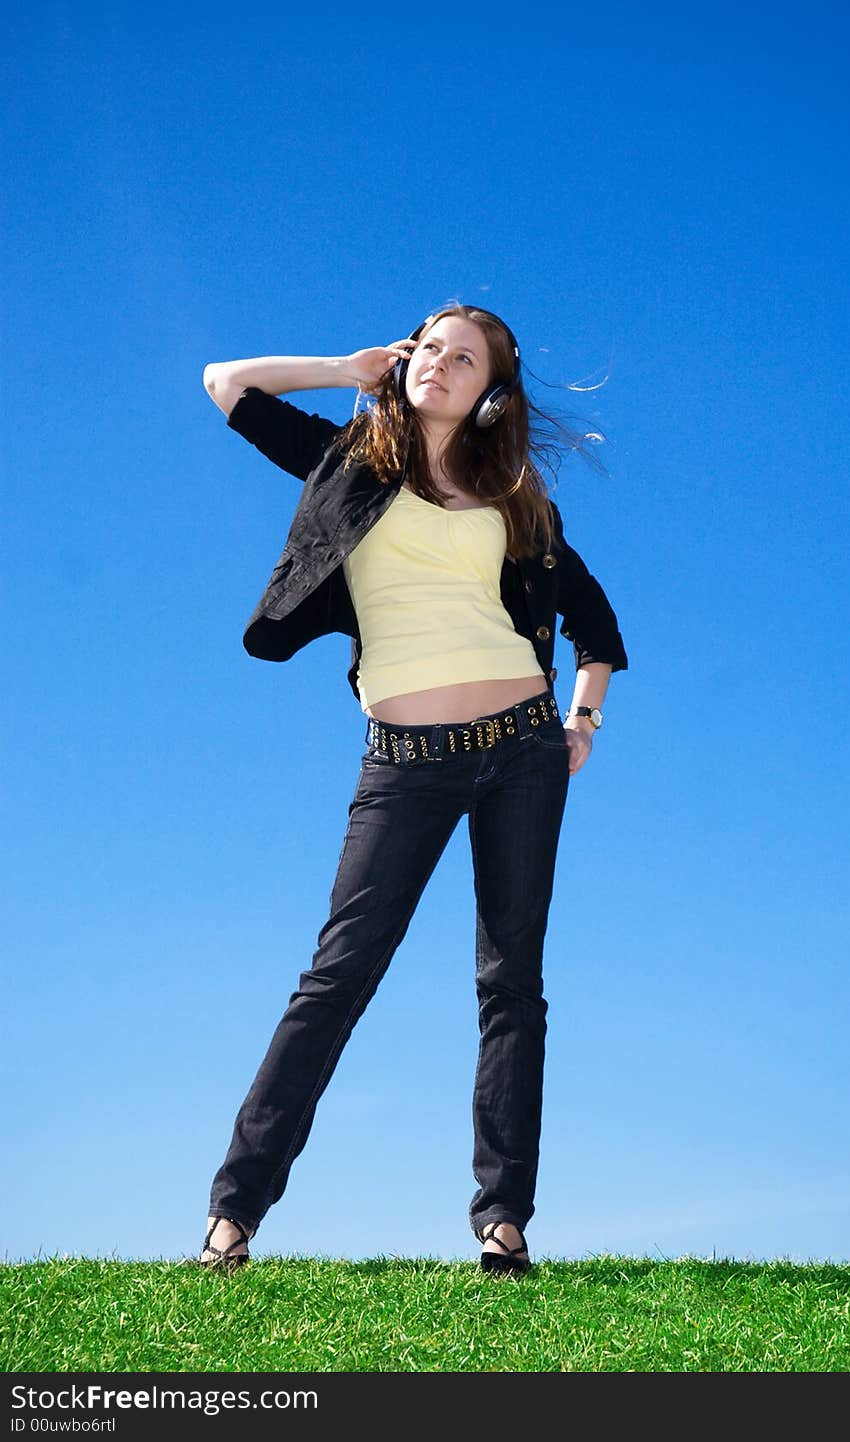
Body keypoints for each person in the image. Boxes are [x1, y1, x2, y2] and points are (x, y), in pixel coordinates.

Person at [196, 303, 628, 1277]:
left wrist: (583, 718)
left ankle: (502, 1225)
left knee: (509, 983)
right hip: (400, 757)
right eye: (428, 346)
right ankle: (231, 1220)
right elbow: (226, 381)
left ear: (491, 388)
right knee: (337, 975)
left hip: (520, 749)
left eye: (461, 355)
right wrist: (344, 365)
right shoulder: (345, 460)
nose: (439, 362)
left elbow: (596, 619)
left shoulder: (516, 500)